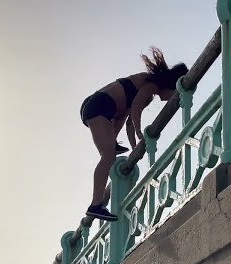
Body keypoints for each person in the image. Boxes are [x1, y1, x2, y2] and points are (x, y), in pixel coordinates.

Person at [80, 47, 189, 221]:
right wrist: (140, 133)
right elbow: (136, 107)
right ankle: (95, 205)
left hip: (110, 112)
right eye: (173, 92)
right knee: (107, 157)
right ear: (170, 84)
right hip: (99, 106)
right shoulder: (150, 85)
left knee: (111, 150)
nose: (170, 98)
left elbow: (130, 121)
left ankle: (113, 144)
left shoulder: (149, 94)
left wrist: (134, 147)